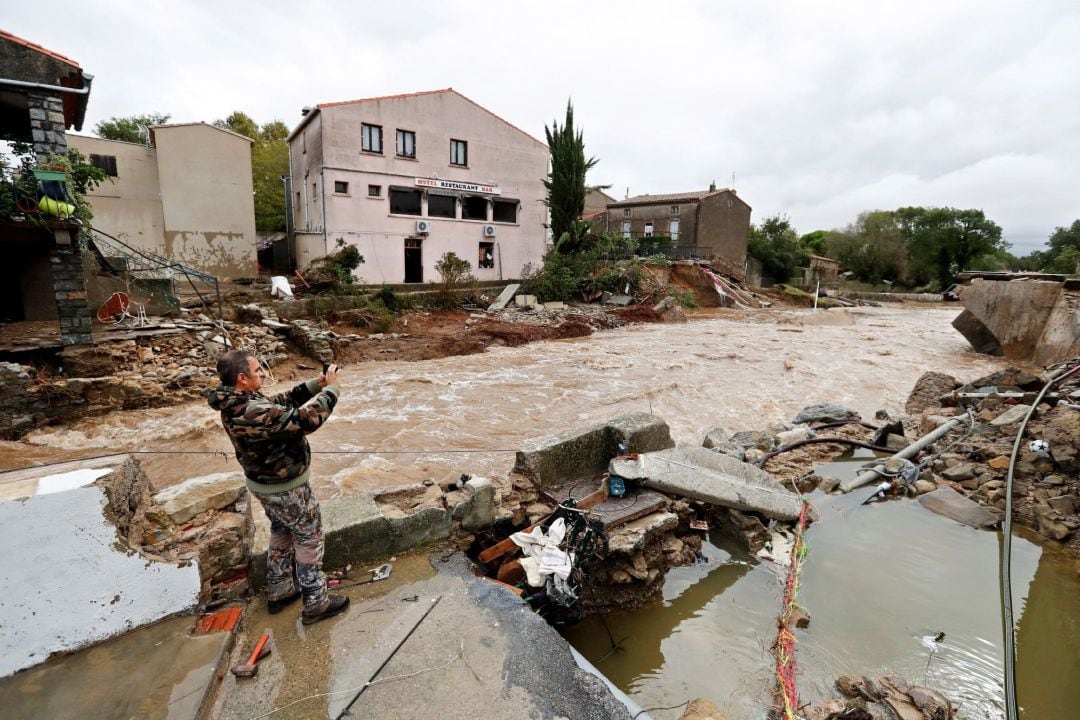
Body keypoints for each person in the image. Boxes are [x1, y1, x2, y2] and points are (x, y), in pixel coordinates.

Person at [208, 350, 349, 625]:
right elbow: (306, 419)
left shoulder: (235, 400)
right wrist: (332, 390)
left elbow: (280, 403)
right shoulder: (251, 411)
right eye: (257, 370)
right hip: (286, 487)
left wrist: (316, 384)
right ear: (241, 378)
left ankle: (280, 588)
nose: (262, 373)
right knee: (309, 536)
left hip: (264, 484)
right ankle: (316, 603)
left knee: (282, 529)